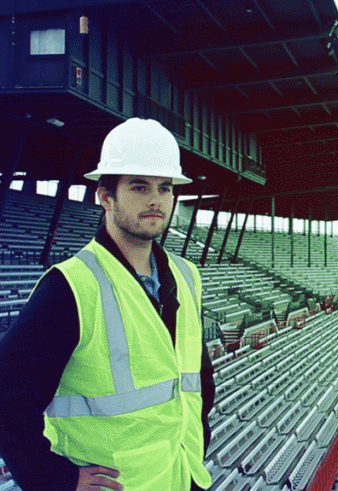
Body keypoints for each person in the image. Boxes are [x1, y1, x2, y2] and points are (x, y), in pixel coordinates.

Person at [0, 118, 215, 491]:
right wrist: (56, 480)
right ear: (105, 196)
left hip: (182, 476)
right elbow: (7, 394)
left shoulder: (186, 275)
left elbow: (198, 378)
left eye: (165, 188)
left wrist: (195, 448)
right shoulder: (71, 286)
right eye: (139, 186)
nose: (155, 199)